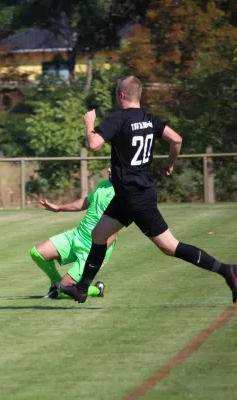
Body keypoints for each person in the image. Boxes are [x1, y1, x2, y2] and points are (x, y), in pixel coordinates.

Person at [57, 75, 237, 304]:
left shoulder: (118, 118)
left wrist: (89, 123)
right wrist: (170, 163)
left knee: (170, 247)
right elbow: (177, 140)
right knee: (98, 235)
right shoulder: (150, 119)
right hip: (129, 194)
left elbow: (94, 144)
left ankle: (228, 271)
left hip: (135, 197)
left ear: (121, 96)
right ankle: (81, 289)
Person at [30, 169, 118, 299]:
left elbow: (115, 228)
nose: (109, 169)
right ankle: (56, 285)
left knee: (65, 292)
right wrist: (58, 208)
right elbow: (85, 202)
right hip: (77, 235)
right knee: (37, 253)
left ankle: (96, 289)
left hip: (92, 247)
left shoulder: (124, 194)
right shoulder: (104, 184)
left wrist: (99, 253)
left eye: (114, 166)